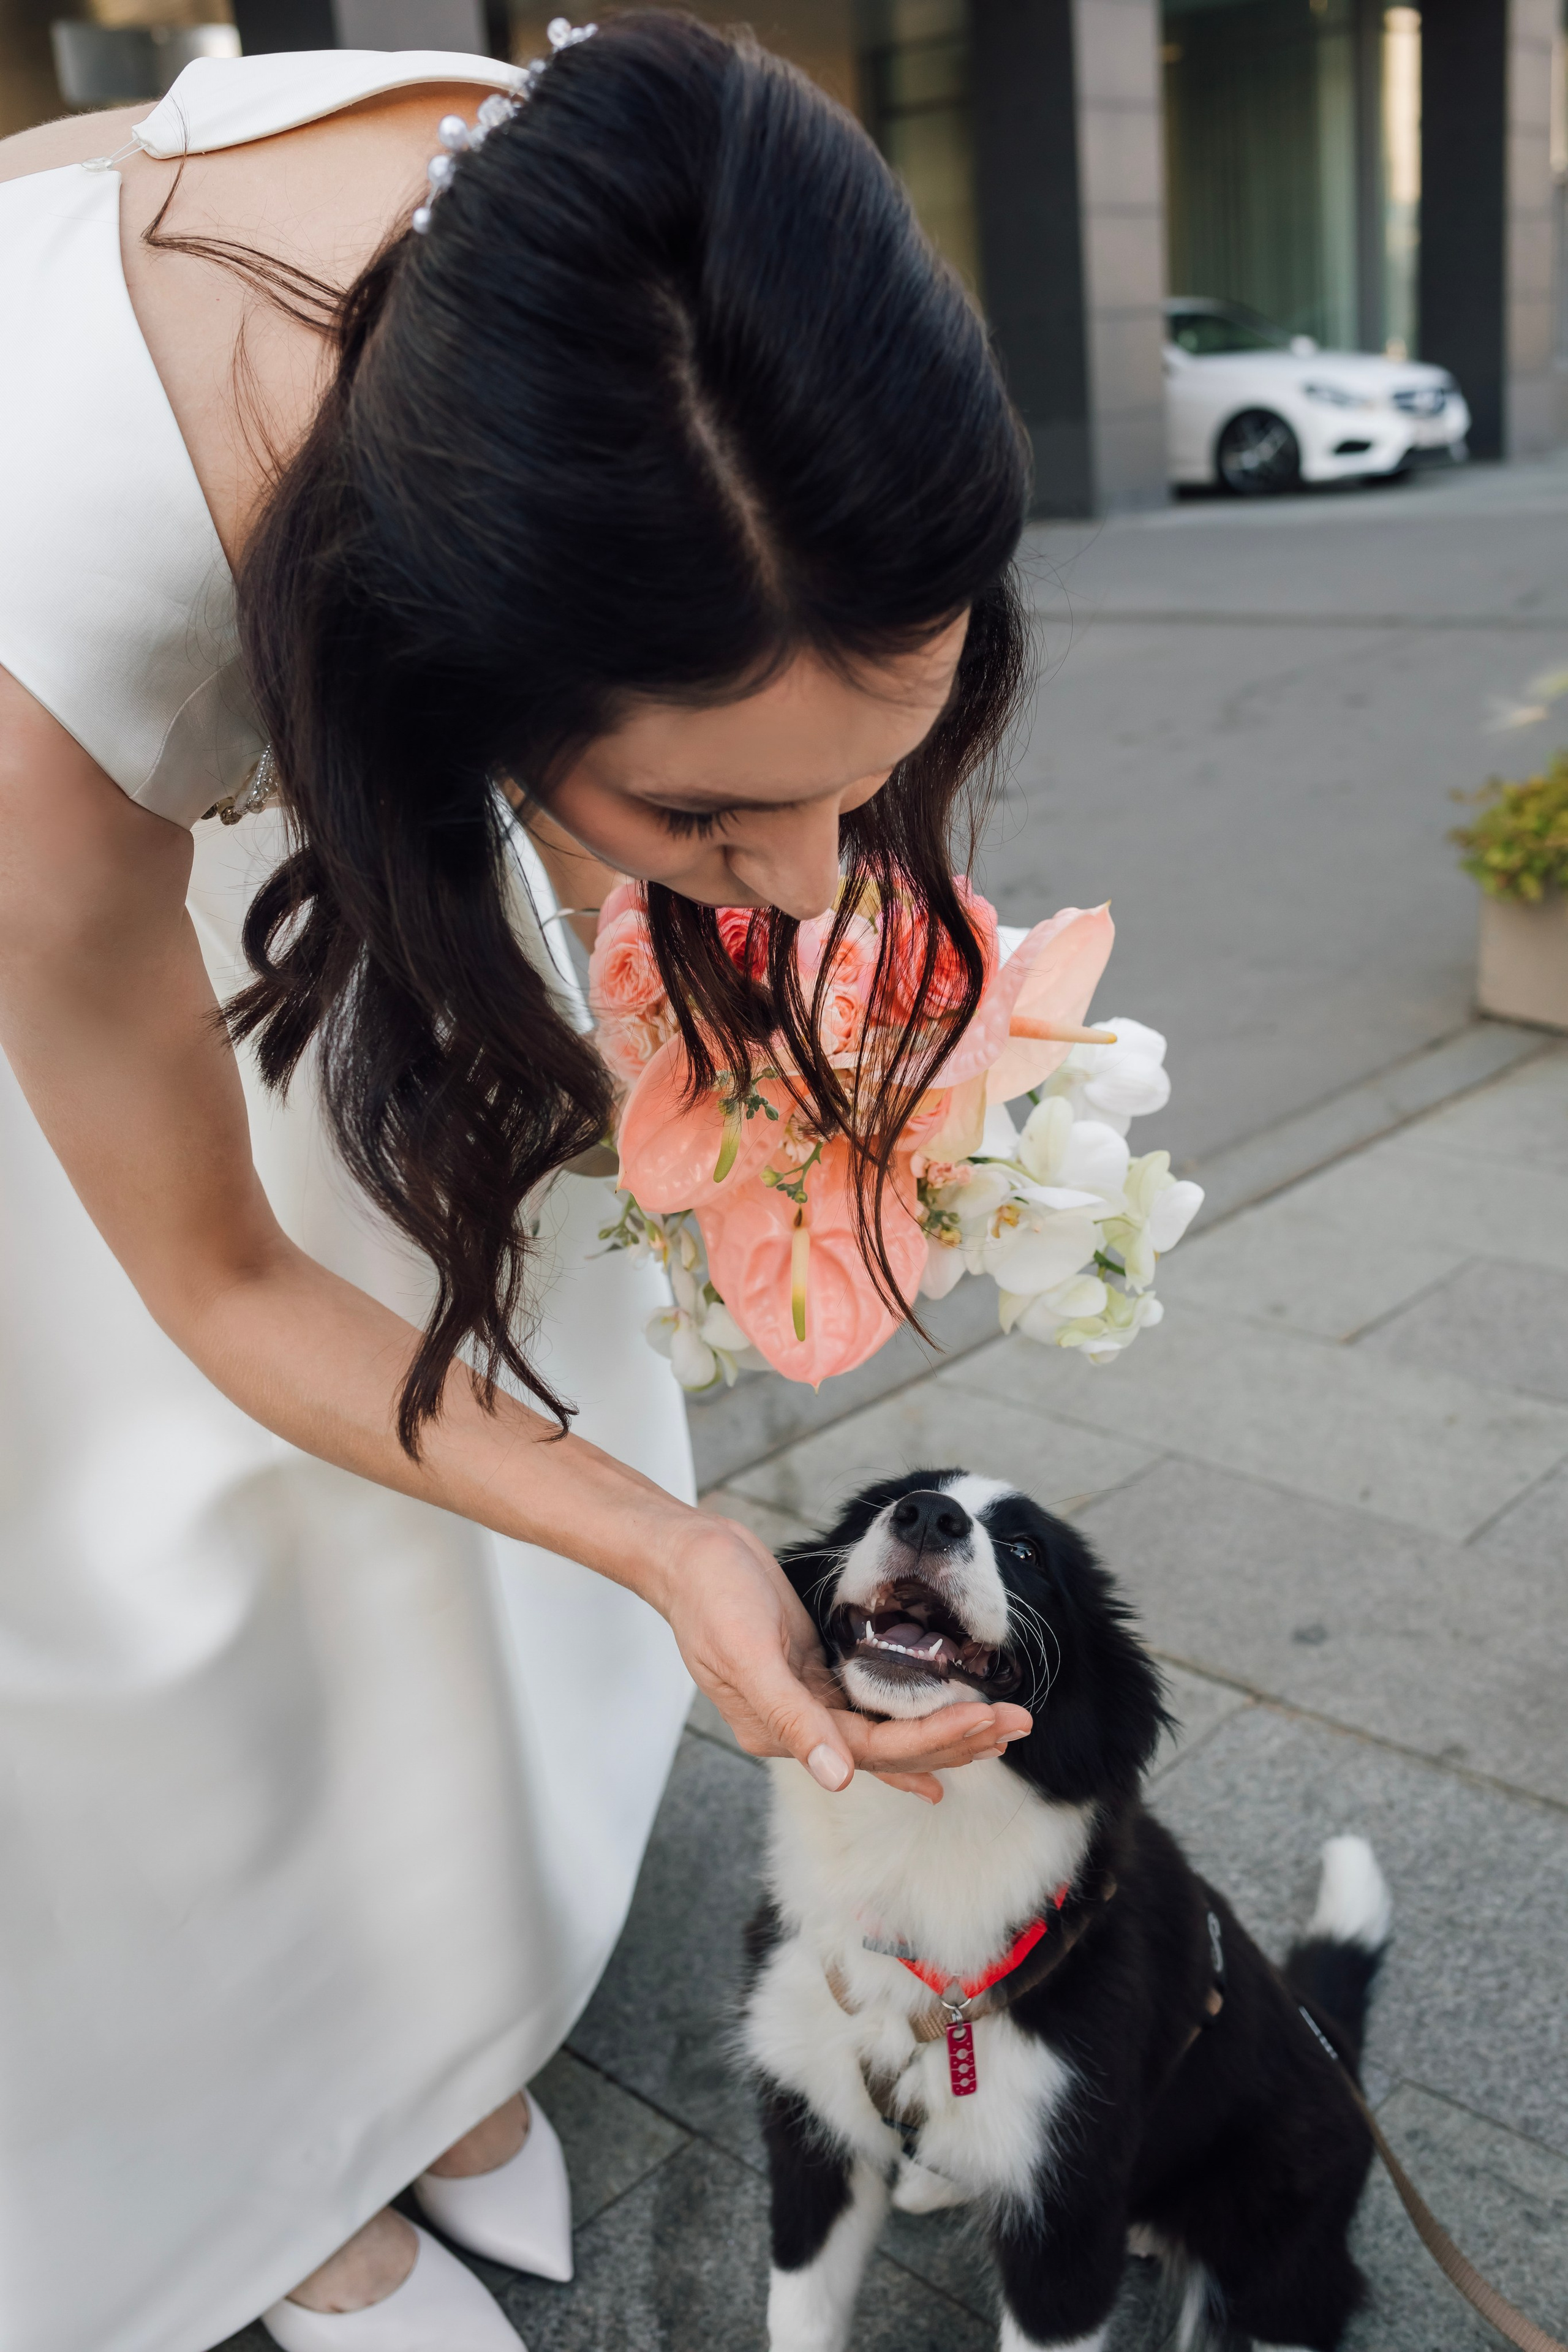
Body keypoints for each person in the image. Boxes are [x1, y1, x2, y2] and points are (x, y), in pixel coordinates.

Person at [0, 18, 1035, 2350]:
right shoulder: (48, 697)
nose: (806, 884)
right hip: (41, 867)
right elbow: (215, 1278)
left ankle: (414, 2023)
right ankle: (229, 2157)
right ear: (451, 641)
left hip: (333, 714)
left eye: (849, 779)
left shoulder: (630, 257)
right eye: (707, 819)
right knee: (128, 1551)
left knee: (454, 1387)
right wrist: (675, 1548)